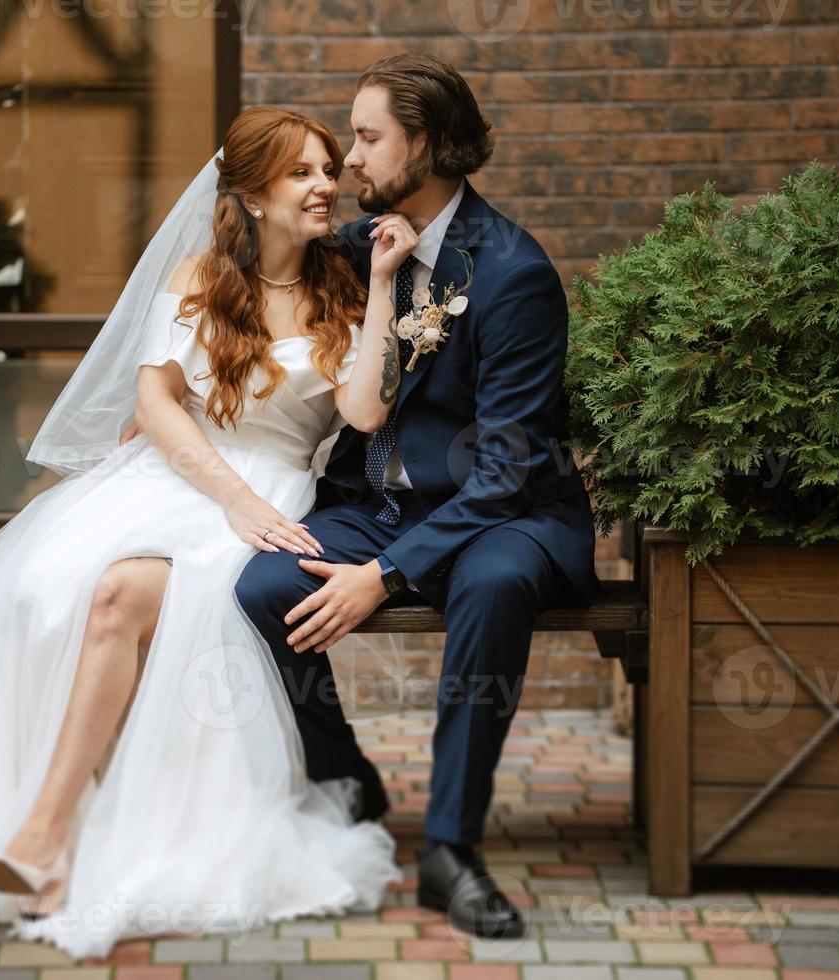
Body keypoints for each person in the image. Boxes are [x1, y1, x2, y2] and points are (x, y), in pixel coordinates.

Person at [0, 106, 414, 960]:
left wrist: (385, 284)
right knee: (47, 590)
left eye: (327, 168)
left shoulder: (345, 290)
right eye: (303, 173)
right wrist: (227, 496)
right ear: (253, 193)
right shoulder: (202, 277)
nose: (326, 185)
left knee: (121, 593)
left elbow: (362, 410)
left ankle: (44, 840)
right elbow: (155, 404)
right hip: (179, 476)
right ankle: (48, 838)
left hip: (275, 492)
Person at [234, 54, 602, 941]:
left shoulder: (514, 273)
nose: (350, 160)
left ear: (428, 144)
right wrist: (172, 399)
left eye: (366, 139)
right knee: (260, 587)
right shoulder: (364, 248)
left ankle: (450, 848)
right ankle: (349, 775)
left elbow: (508, 467)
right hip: (375, 500)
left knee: (495, 585)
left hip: (502, 515)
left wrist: (385, 576)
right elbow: (254, 283)